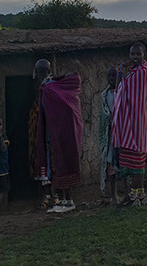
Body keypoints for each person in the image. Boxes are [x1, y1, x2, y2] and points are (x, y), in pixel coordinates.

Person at [111, 42, 147, 206]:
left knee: (138, 161)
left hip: (137, 121)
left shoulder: (142, 72)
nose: (135, 57)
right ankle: (139, 195)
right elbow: (118, 87)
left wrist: (121, 69)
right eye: (132, 54)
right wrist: (121, 67)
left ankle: (134, 196)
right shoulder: (132, 72)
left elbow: (123, 87)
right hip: (129, 122)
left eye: (138, 54)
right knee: (132, 161)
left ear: (143, 55)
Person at [41, 65, 84, 213]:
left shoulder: (51, 88)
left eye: (40, 71)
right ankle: (60, 202)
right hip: (51, 134)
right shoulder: (45, 88)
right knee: (55, 168)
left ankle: (69, 201)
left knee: (63, 165)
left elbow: (66, 109)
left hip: (61, 134)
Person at [29, 59, 55, 210]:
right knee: (41, 162)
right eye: (39, 71)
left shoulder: (53, 87)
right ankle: (46, 196)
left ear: (49, 72)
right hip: (39, 133)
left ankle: (55, 195)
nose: (42, 74)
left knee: (53, 163)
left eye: (45, 71)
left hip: (51, 132)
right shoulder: (36, 88)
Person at [98, 67, 119, 201]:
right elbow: (103, 116)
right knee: (110, 162)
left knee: (122, 162)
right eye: (109, 76)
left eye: (114, 75)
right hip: (109, 134)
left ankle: (128, 193)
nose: (111, 78)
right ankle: (114, 194)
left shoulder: (123, 92)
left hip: (122, 133)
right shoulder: (104, 95)